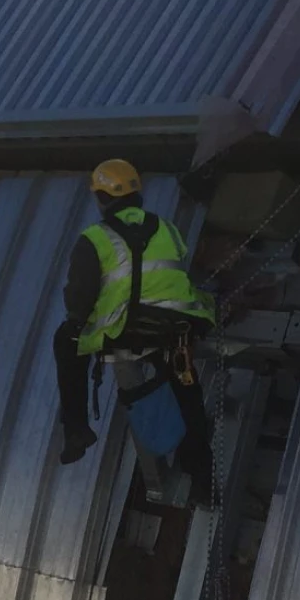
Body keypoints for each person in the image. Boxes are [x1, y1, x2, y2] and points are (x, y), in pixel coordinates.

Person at [54, 160, 215, 471]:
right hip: (175, 325)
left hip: (126, 327)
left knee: (65, 341)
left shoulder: (95, 237)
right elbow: (181, 273)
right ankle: (201, 474)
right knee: (184, 384)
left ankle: (76, 430)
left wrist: (77, 323)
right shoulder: (167, 228)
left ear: (101, 198)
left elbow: (79, 296)